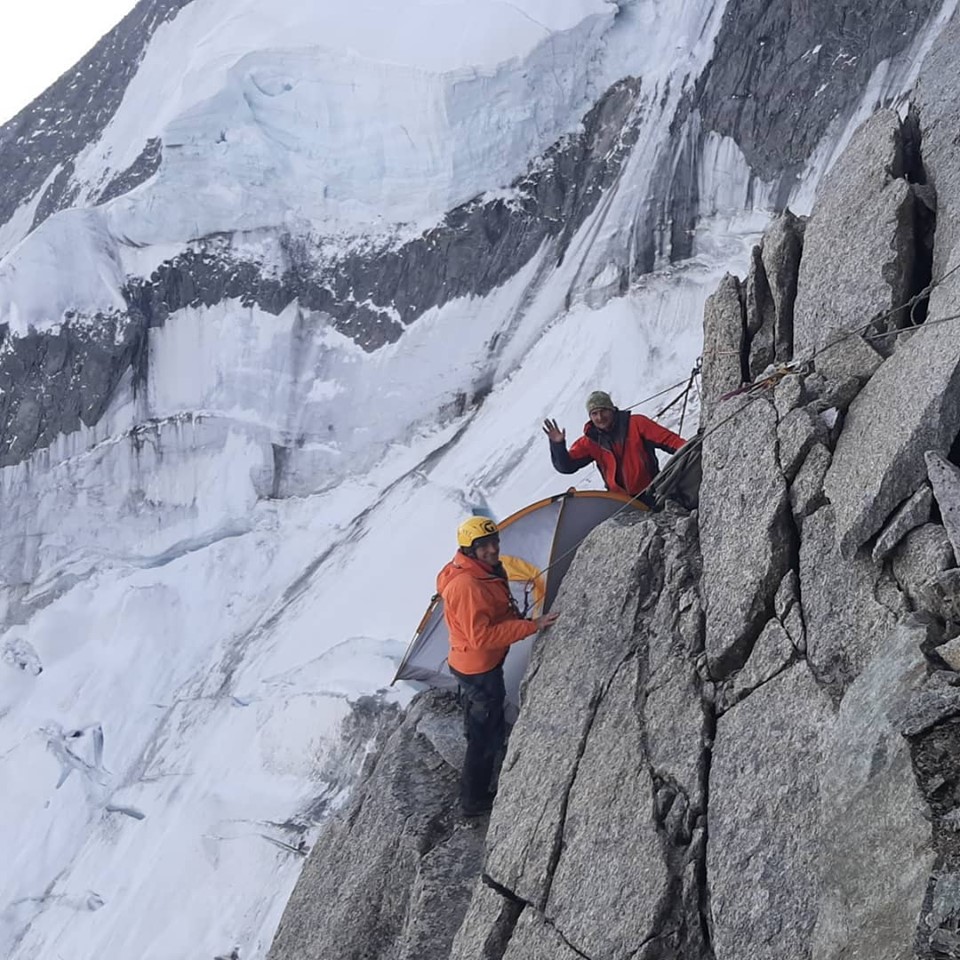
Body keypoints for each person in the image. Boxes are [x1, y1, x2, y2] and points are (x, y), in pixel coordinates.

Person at [437, 516, 560, 817]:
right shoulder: (467, 585)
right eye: (483, 546)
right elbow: (482, 637)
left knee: (479, 722)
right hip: (479, 668)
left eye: (494, 542)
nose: (492, 549)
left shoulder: (479, 570)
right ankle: (473, 801)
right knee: (485, 736)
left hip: (469, 664)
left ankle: (476, 773)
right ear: (469, 550)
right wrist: (531, 626)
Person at [542, 390, 686, 499]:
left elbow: (670, 441)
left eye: (603, 411)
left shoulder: (636, 423)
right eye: (594, 413)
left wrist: (694, 447)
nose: (600, 417)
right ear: (590, 417)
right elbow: (566, 466)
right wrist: (558, 445)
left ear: (612, 409)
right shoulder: (589, 441)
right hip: (619, 502)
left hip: (652, 493)